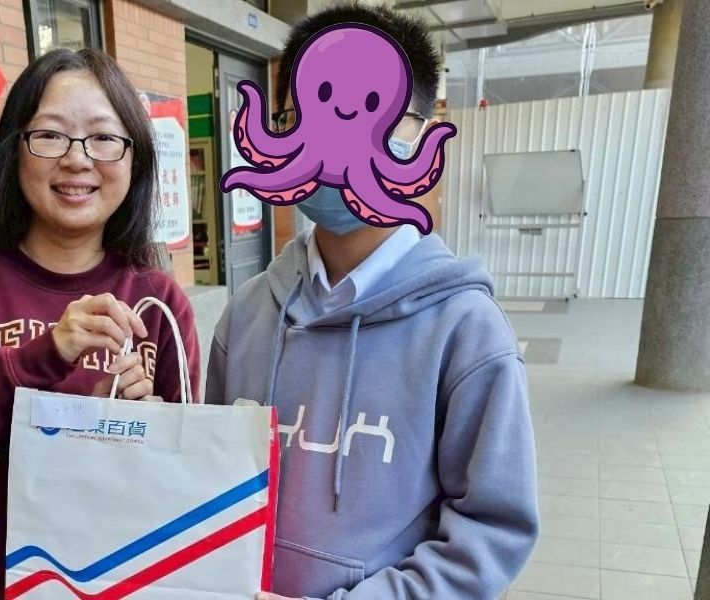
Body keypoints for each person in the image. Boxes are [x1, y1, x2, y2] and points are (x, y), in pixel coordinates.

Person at [205, 4, 539, 599]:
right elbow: (211, 484)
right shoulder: (248, 314)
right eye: (306, 113)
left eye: (369, 111)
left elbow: (490, 533)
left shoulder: (467, 332)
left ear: (420, 132)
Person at [0, 48, 201, 600]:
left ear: (134, 159)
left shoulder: (157, 300)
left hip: (129, 583)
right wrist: (42, 356)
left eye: (104, 138)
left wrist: (134, 427)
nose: (77, 159)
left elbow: (189, 470)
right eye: (50, 135)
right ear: (13, 147)